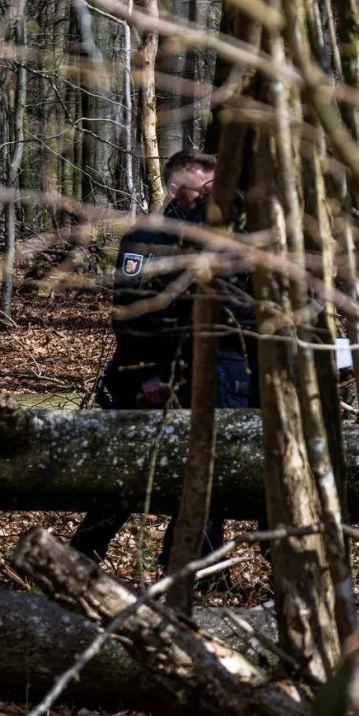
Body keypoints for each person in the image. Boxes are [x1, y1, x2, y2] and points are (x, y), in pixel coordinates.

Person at [71, 150, 259, 568]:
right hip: (160, 369)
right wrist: (146, 374)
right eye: (203, 183)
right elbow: (131, 312)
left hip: (224, 366)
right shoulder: (148, 237)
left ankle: (195, 566)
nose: (214, 190)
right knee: (138, 469)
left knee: (213, 466)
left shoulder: (233, 231)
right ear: (177, 187)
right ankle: (84, 554)